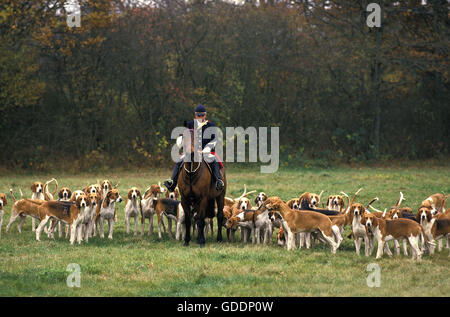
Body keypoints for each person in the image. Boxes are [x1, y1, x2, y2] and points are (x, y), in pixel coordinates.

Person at [163, 104, 224, 192]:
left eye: (202, 115)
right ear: (195, 115)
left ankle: (218, 181)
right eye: (198, 115)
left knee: (213, 160)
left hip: (206, 151)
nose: (200, 117)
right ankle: (172, 182)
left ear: (205, 115)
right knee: (179, 161)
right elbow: (185, 137)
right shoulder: (190, 124)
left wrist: (207, 148)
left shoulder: (211, 125)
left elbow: (214, 140)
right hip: (191, 151)